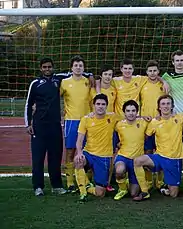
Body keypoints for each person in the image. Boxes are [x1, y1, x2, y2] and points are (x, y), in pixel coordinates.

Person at [25, 58, 68, 196]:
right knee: (38, 157)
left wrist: (89, 75)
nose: (47, 69)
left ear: (53, 67)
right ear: (40, 68)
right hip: (39, 126)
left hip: (55, 125)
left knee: (55, 157)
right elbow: (28, 104)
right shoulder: (35, 83)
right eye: (44, 67)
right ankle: (38, 186)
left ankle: (56, 185)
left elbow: (75, 72)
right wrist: (28, 124)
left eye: (49, 67)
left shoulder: (58, 80)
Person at [133, 95, 183, 201]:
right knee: (138, 161)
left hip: (174, 160)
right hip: (159, 157)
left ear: (172, 106)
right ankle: (145, 192)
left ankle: (165, 187)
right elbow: (146, 135)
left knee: (173, 194)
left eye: (168, 103)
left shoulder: (180, 118)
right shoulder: (154, 122)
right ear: (159, 107)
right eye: (163, 104)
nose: (165, 106)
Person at [74, 94, 122, 202]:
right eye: (98, 104)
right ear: (94, 105)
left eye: (103, 104)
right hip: (88, 153)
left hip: (104, 157)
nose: (100, 106)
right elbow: (79, 141)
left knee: (100, 193)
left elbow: (130, 117)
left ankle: (87, 187)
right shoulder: (86, 119)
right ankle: (83, 193)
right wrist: (79, 153)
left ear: (106, 106)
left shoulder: (113, 117)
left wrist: (144, 118)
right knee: (77, 160)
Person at [60, 55, 92, 193]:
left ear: (84, 68)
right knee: (70, 150)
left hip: (87, 120)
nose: (78, 68)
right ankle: (70, 181)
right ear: (71, 68)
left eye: (81, 65)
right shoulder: (65, 82)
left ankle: (86, 179)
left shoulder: (88, 82)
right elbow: (55, 97)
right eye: (76, 65)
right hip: (71, 121)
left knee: (87, 150)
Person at [113, 100, 148, 200]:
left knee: (133, 193)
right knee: (120, 170)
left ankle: (128, 182)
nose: (131, 113)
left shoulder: (143, 122)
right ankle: (122, 189)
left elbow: (156, 121)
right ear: (124, 112)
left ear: (137, 112)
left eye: (133, 110)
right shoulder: (119, 125)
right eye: (128, 111)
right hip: (123, 157)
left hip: (137, 161)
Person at [162, 50, 183, 153]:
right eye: (177, 60)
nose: (179, 63)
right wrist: (163, 81)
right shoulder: (167, 75)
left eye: (182, 60)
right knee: (176, 142)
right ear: (173, 62)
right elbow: (156, 77)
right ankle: (177, 165)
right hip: (174, 114)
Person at [140, 60, 166, 189]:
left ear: (158, 72)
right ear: (146, 72)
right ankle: (148, 180)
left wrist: (164, 81)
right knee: (147, 151)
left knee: (161, 151)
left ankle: (160, 181)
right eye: (150, 71)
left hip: (160, 123)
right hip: (146, 123)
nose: (152, 73)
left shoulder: (163, 85)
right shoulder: (142, 82)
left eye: (155, 71)